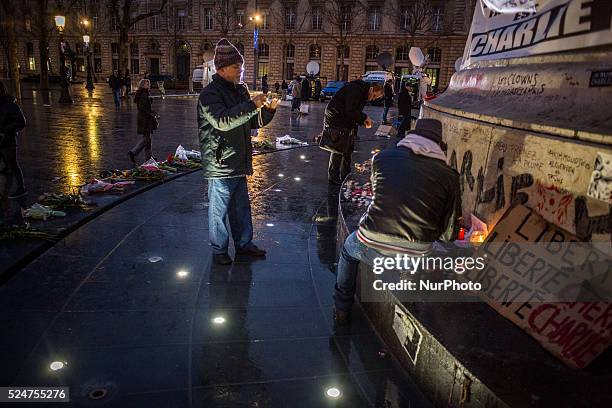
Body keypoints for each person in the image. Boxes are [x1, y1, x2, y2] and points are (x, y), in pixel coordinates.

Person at [333, 119, 462, 324]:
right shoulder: (450, 176)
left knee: (348, 251)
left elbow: (378, 195)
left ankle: (341, 308)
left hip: (370, 243)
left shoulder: (382, 158)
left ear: (411, 136)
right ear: (439, 145)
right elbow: (448, 234)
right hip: (415, 256)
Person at [198, 38, 279, 265]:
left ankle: (244, 244)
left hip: (238, 161)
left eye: (241, 67)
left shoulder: (239, 91)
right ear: (222, 69)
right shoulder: (209, 94)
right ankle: (219, 250)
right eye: (236, 67)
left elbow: (252, 123)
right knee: (219, 213)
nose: (240, 71)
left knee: (241, 208)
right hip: (220, 163)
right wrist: (251, 105)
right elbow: (223, 121)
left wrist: (268, 111)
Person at [323, 79, 383, 185]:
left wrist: (362, 121)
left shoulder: (363, 94)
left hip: (344, 118)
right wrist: (364, 118)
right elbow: (351, 110)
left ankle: (345, 174)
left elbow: (355, 112)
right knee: (338, 148)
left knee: (348, 147)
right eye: (374, 96)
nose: (372, 99)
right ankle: (333, 177)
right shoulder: (355, 90)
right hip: (336, 117)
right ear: (371, 89)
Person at [0, 81, 27, 198]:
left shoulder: (9, 104)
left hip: (8, 139)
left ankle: (21, 188)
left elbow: (21, 122)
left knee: (13, 164)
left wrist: (6, 130)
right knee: (9, 163)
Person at [128, 79, 156, 165]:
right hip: (145, 119)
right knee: (146, 139)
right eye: (146, 84)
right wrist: (151, 115)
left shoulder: (144, 93)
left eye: (149, 83)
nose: (148, 85)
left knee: (148, 139)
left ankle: (149, 157)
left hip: (144, 118)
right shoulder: (144, 94)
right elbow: (143, 108)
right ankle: (133, 152)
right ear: (142, 85)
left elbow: (146, 105)